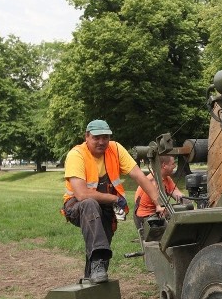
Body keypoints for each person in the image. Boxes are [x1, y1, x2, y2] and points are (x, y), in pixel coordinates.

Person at [61, 119, 164, 284]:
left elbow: (139, 176)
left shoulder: (115, 149)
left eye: (105, 137)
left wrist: (158, 202)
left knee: (101, 247)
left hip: (104, 207)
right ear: (86, 137)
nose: (102, 142)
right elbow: (81, 194)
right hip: (76, 206)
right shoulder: (77, 155)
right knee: (89, 204)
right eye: (96, 137)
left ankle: (93, 280)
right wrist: (114, 198)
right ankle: (97, 266)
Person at [133, 155, 185, 230]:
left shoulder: (166, 178)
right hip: (145, 216)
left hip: (156, 212)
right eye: (173, 164)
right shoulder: (153, 182)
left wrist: (185, 200)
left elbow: (175, 192)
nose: (175, 166)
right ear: (164, 165)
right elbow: (160, 208)